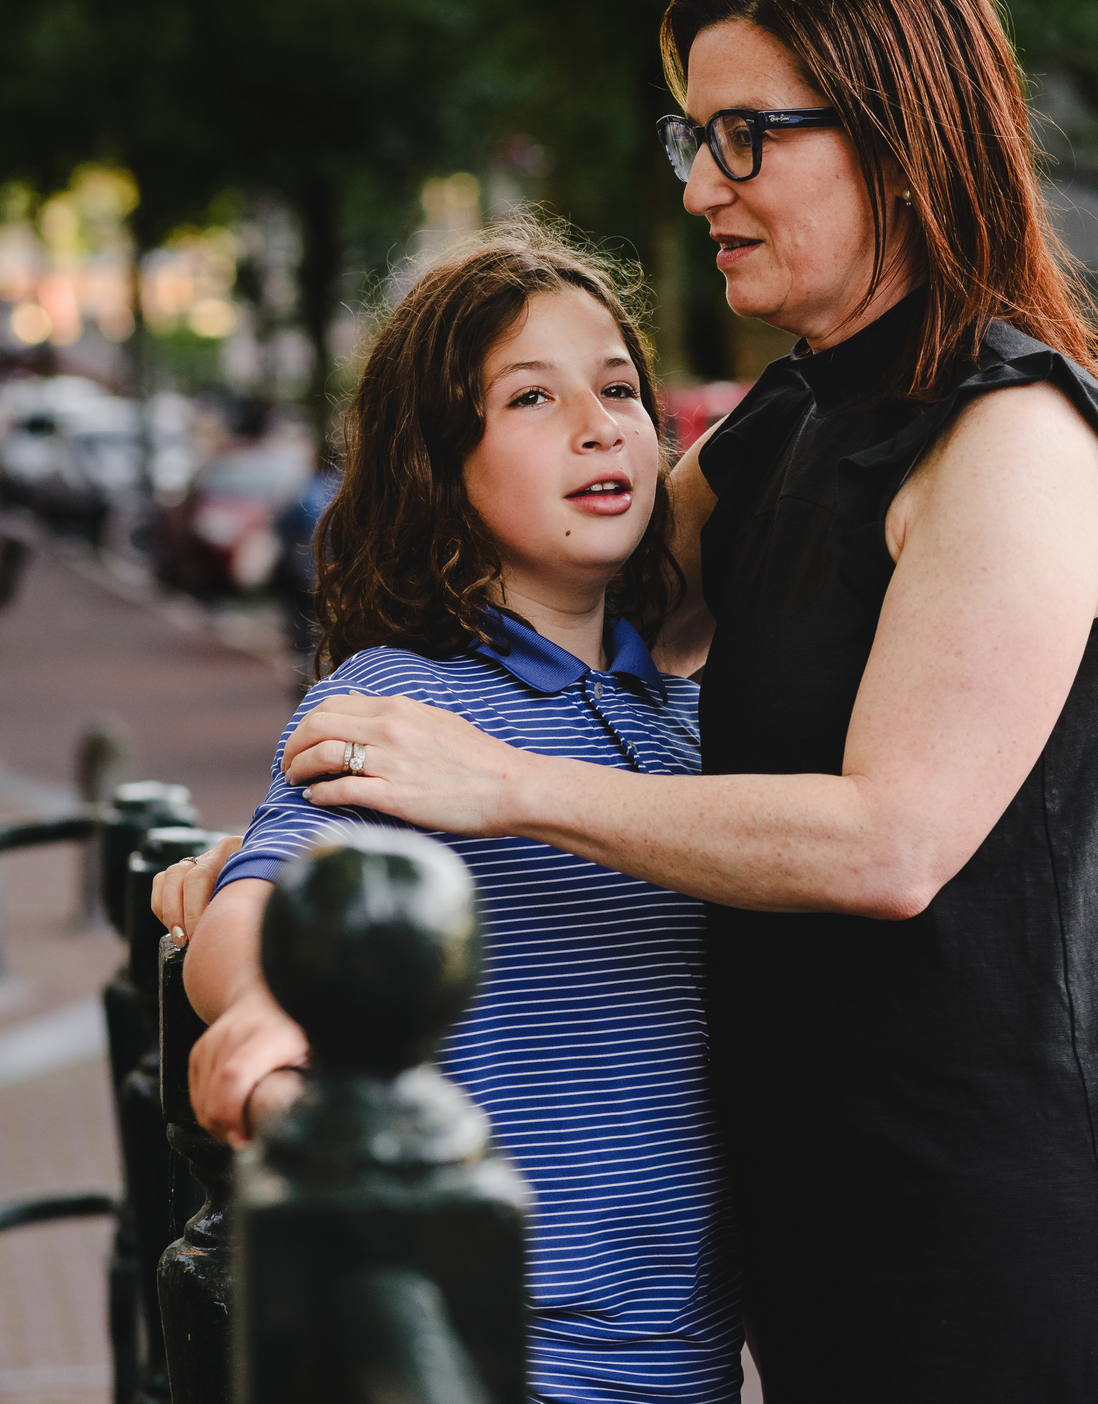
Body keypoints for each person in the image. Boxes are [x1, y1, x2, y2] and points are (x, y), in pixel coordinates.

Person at [271, 0, 1098, 1403]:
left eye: (747, 137)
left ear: (898, 144)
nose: (700, 186)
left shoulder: (1016, 442)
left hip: (1003, 1245)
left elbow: (892, 837)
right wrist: (293, 844)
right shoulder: (790, 426)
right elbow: (542, 594)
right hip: (817, 1233)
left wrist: (510, 786)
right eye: (692, 138)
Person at [154, 225, 743, 1404]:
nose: (598, 421)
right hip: (492, 1346)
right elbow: (267, 901)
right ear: (441, 460)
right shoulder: (403, 695)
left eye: (619, 386)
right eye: (532, 396)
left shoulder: (685, 719)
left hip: (688, 1352)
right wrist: (267, 1010)